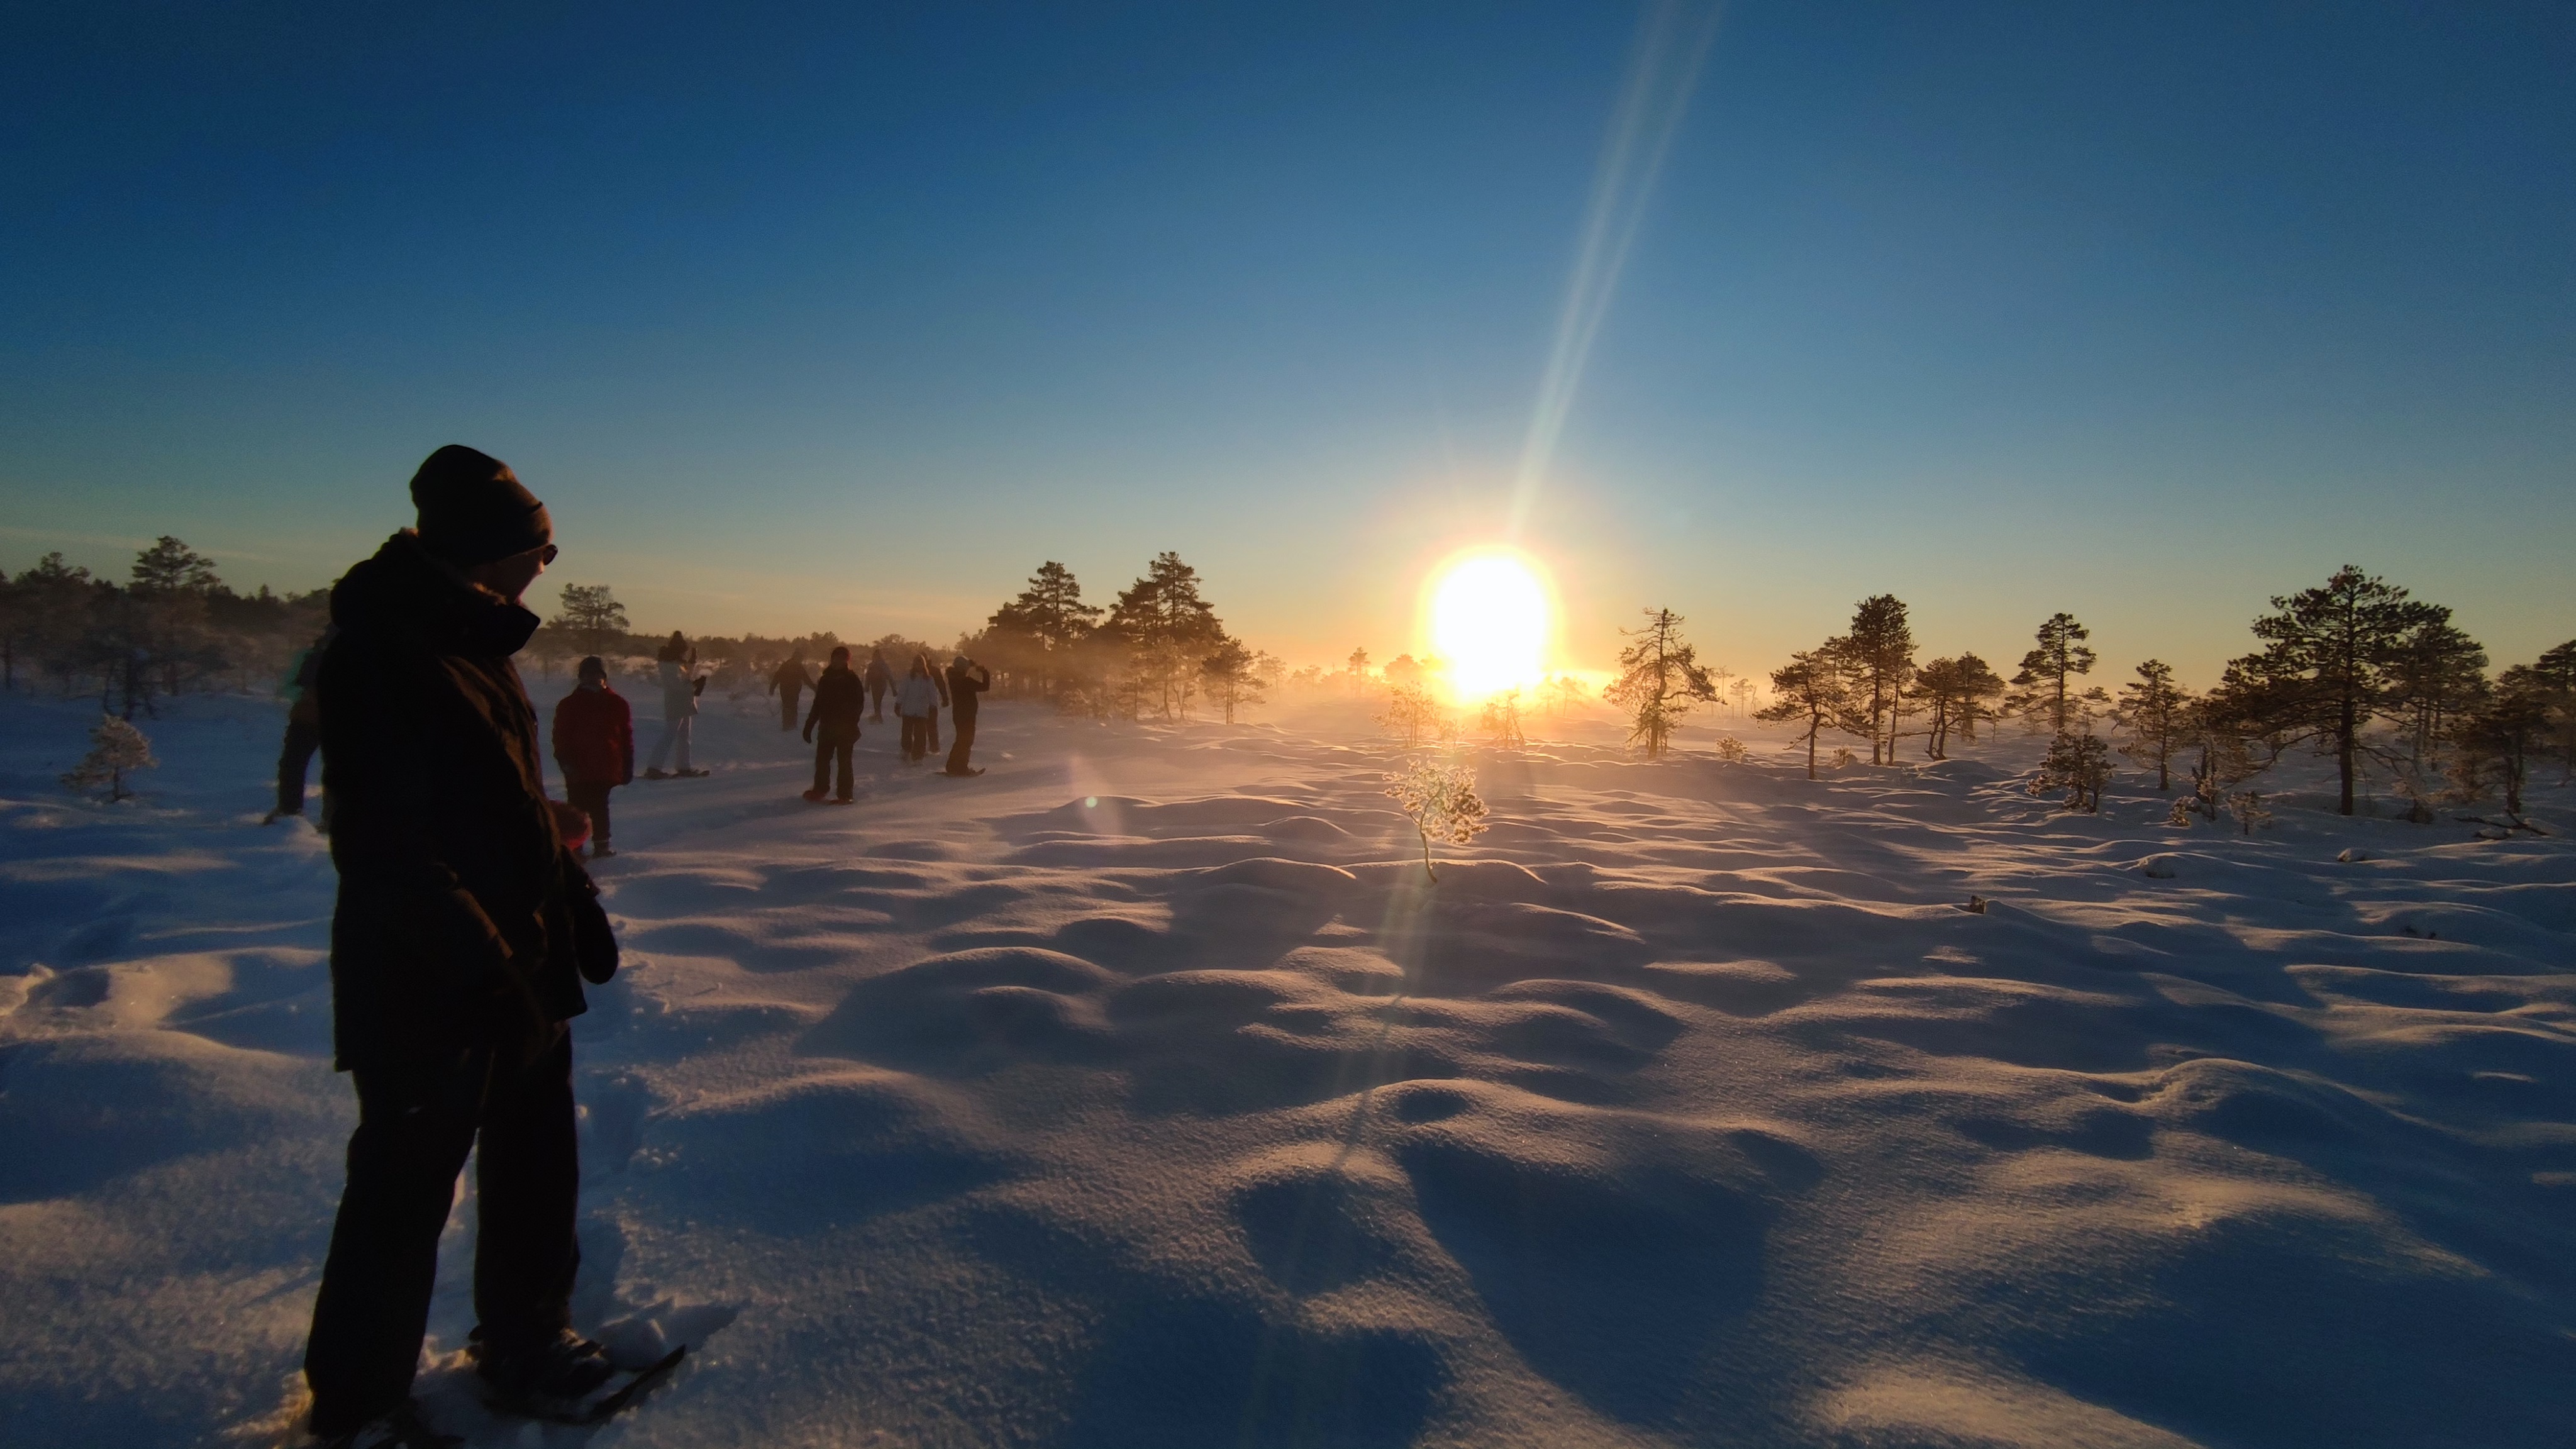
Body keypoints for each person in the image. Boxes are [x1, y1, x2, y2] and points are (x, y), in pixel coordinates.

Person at [302, 445, 623, 1448]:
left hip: (519, 962)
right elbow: (387, 848)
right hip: (427, 976)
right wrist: (480, 967)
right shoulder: (383, 654)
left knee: (536, 1158)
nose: (547, 562)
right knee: (402, 1187)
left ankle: (526, 1337)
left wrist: (568, 895)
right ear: (492, 549)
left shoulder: (474, 644)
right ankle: (358, 1409)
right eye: (541, 546)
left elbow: (510, 805)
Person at [552, 656, 633, 858]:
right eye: (587, 676)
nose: (592, 680)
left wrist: (628, 763)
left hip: (606, 766)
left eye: (596, 675)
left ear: (603, 677)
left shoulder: (617, 703)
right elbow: (560, 735)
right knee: (576, 808)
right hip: (578, 767)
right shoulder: (569, 704)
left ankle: (601, 845)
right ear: (581, 678)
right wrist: (563, 759)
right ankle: (575, 847)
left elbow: (625, 736)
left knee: (600, 807)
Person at [265, 625, 334, 824]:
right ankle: (321, 818)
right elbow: (287, 688)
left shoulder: (308, 655)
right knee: (298, 765)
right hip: (314, 720)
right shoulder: (308, 656)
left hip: (307, 719)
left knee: (293, 765)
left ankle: (290, 812)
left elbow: (286, 688)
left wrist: (304, 696)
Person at [801, 646, 866, 802]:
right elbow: (818, 704)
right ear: (832, 659)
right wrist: (809, 725)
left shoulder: (852, 680)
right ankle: (820, 789)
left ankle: (845, 795)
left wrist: (850, 721)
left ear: (847, 661)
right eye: (836, 658)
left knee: (844, 762)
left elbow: (859, 704)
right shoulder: (825, 679)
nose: (838, 661)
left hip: (845, 729)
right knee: (822, 760)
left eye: (842, 658)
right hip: (827, 728)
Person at [643, 632, 706, 779]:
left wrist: (692, 662)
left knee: (684, 736)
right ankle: (653, 768)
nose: (685, 653)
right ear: (679, 649)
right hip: (676, 703)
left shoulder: (676, 662)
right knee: (669, 734)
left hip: (684, 703)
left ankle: (684, 767)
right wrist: (694, 685)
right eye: (684, 651)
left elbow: (685, 676)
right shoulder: (669, 665)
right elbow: (675, 684)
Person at [942, 653, 991, 777]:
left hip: (959, 714)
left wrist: (971, 664)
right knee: (966, 741)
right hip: (968, 715)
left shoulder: (953, 679)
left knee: (960, 740)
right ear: (964, 668)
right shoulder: (965, 681)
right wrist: (984, 672)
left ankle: (952, 766)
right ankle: (961, 768)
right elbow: (985, 687)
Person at [894, 655, 941, 762]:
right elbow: (902, 692)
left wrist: (933, 706)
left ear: (924, 665)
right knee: (906, 732)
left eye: (921, 663)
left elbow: (933, 694)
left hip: (922, 712)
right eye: (917, 663)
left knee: (920, 734)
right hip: (908, 711)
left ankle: (918, 756)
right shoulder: (908, 678)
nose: (918, 665)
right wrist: (898, 704)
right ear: (914, 665)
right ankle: (906, 750)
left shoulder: (929, 680)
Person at [768, 650, 813, 731]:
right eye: (800, 659)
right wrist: (772, 688)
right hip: (789, 690)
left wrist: (772, 688)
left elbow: (776, 677)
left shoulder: (787, 665)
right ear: (796, 658)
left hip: (789, 690)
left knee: (789, 706)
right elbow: (807, 680)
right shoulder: (793, 666)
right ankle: (790, 725)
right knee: (791, 707)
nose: (801, 661)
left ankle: (789, 725)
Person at [864, 646, 894, 721]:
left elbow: (868, 676)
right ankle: (878, 715)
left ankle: (878, 716)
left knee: (877, 700)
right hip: (880, 685)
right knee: (877, 700)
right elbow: (889, 676)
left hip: (877, 684)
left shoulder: (873, 665)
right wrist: (893, 688)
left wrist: (867, 686)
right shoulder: (883, 665)